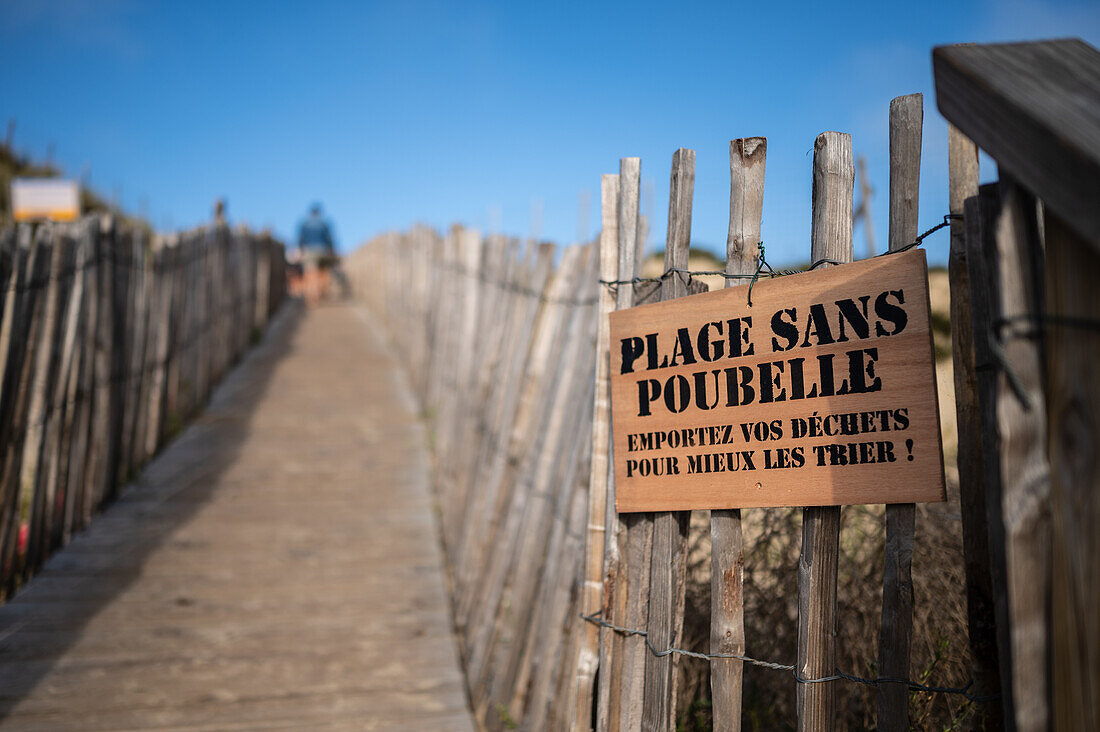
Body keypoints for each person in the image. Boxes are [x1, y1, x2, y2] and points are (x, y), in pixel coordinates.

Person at [296, 203, 346, 302]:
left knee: (310, 273)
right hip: (323, 251)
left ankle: (311, 295)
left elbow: (301, 239)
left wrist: (300, 251)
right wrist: (332, 250)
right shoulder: (324, 224)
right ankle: (321, 292)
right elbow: (329, 239)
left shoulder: (305, 224)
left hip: (309, 251)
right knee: (323, 272)